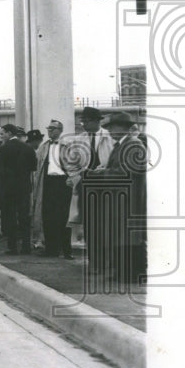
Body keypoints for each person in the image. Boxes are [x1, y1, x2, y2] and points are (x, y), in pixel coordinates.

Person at [98, 111, 147, 284]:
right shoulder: (124, 145)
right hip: (123, 200)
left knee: (129, 237)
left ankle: (133, 274)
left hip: (129, 201)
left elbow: (125, 173)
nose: (110, 131)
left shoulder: (132, 145)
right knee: (122, 235)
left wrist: (102, 173)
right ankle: (124, 272)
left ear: (123, 128)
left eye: (112, 127)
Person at [67, 106, 114, 276]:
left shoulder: (109, 138)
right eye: (82, 121)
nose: (83, 124)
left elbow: (114, 161)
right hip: (86, 185)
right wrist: (77, 178)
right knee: (90, 225)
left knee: (107, 225)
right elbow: (70, 163)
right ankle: (94, 262)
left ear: (96, 121)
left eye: (86, 121)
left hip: (107, 185)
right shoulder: (78, 140)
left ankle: (107, 262)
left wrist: (105, 170)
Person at [31, 120, 75, 258]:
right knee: (48, 217)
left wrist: (72, 178)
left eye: (52, 128)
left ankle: (66, 250)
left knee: (63, 217)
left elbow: (74, 164)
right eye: (48, 128)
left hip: (63, 183)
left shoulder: (67, 145)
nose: (49, 131)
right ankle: (51, 249)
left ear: (60, 130)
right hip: (47, 182)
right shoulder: (44, 147)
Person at [0, 123, 38, 254]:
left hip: (8, 189)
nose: (1, 136)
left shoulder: (3, 149)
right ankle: (26, 246)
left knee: (10, 218)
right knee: (24, 217)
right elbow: (33, 167)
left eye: (2, 133)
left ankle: (12, 247)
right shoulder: (28, 148)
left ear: (9, 133)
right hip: (24, 188)